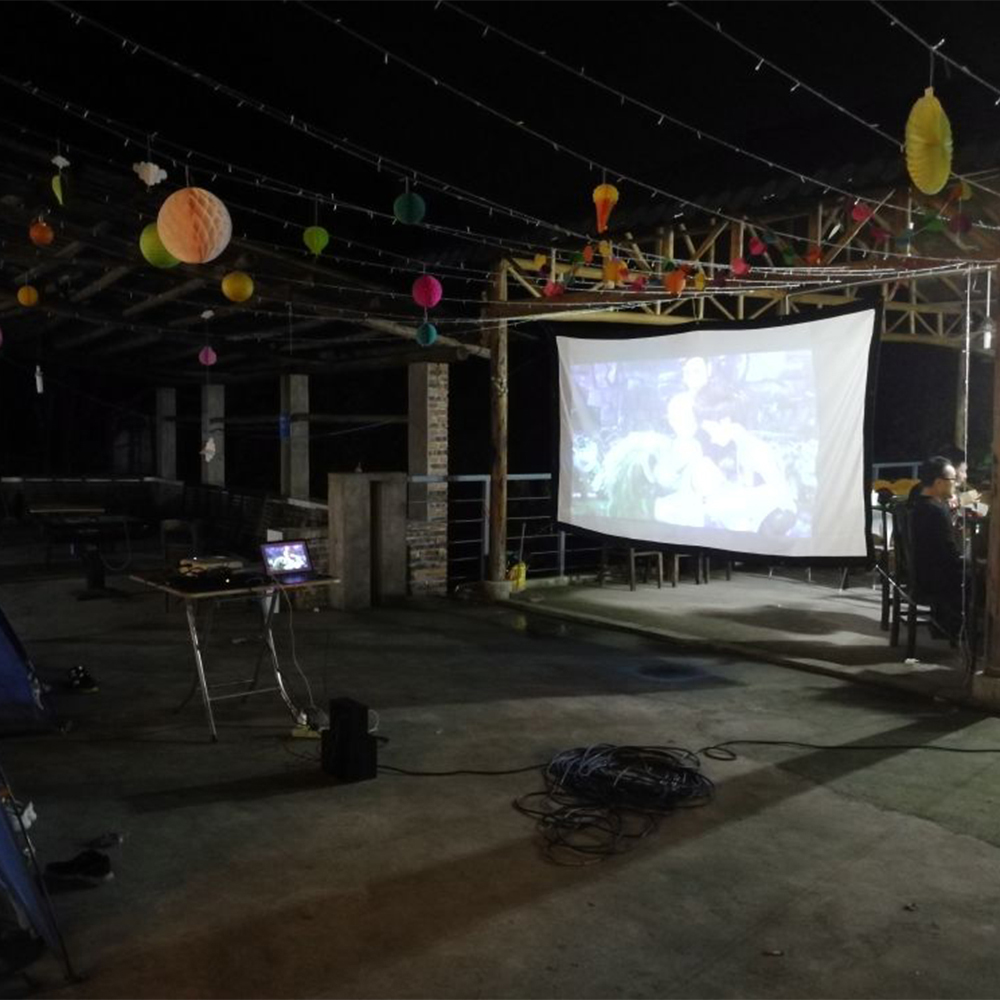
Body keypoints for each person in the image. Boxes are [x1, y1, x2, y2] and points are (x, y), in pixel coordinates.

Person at [908, 456, 965, 639]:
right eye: (953, 479)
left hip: (921, 573)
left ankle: (944, 625)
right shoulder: (936, 511)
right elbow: (950, 555)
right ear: (939, 482)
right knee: (980, 576)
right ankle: (966, 633)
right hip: (935, 579)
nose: (956, 483)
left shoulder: (921, 504)